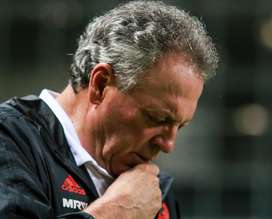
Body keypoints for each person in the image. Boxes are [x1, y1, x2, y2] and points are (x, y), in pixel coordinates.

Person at [0, 1, 218, 218]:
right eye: (156, 118)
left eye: (179, 126)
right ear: (101, 84)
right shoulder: (11, 141)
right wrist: (115, 213)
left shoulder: (157, 195)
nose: (169, 145)